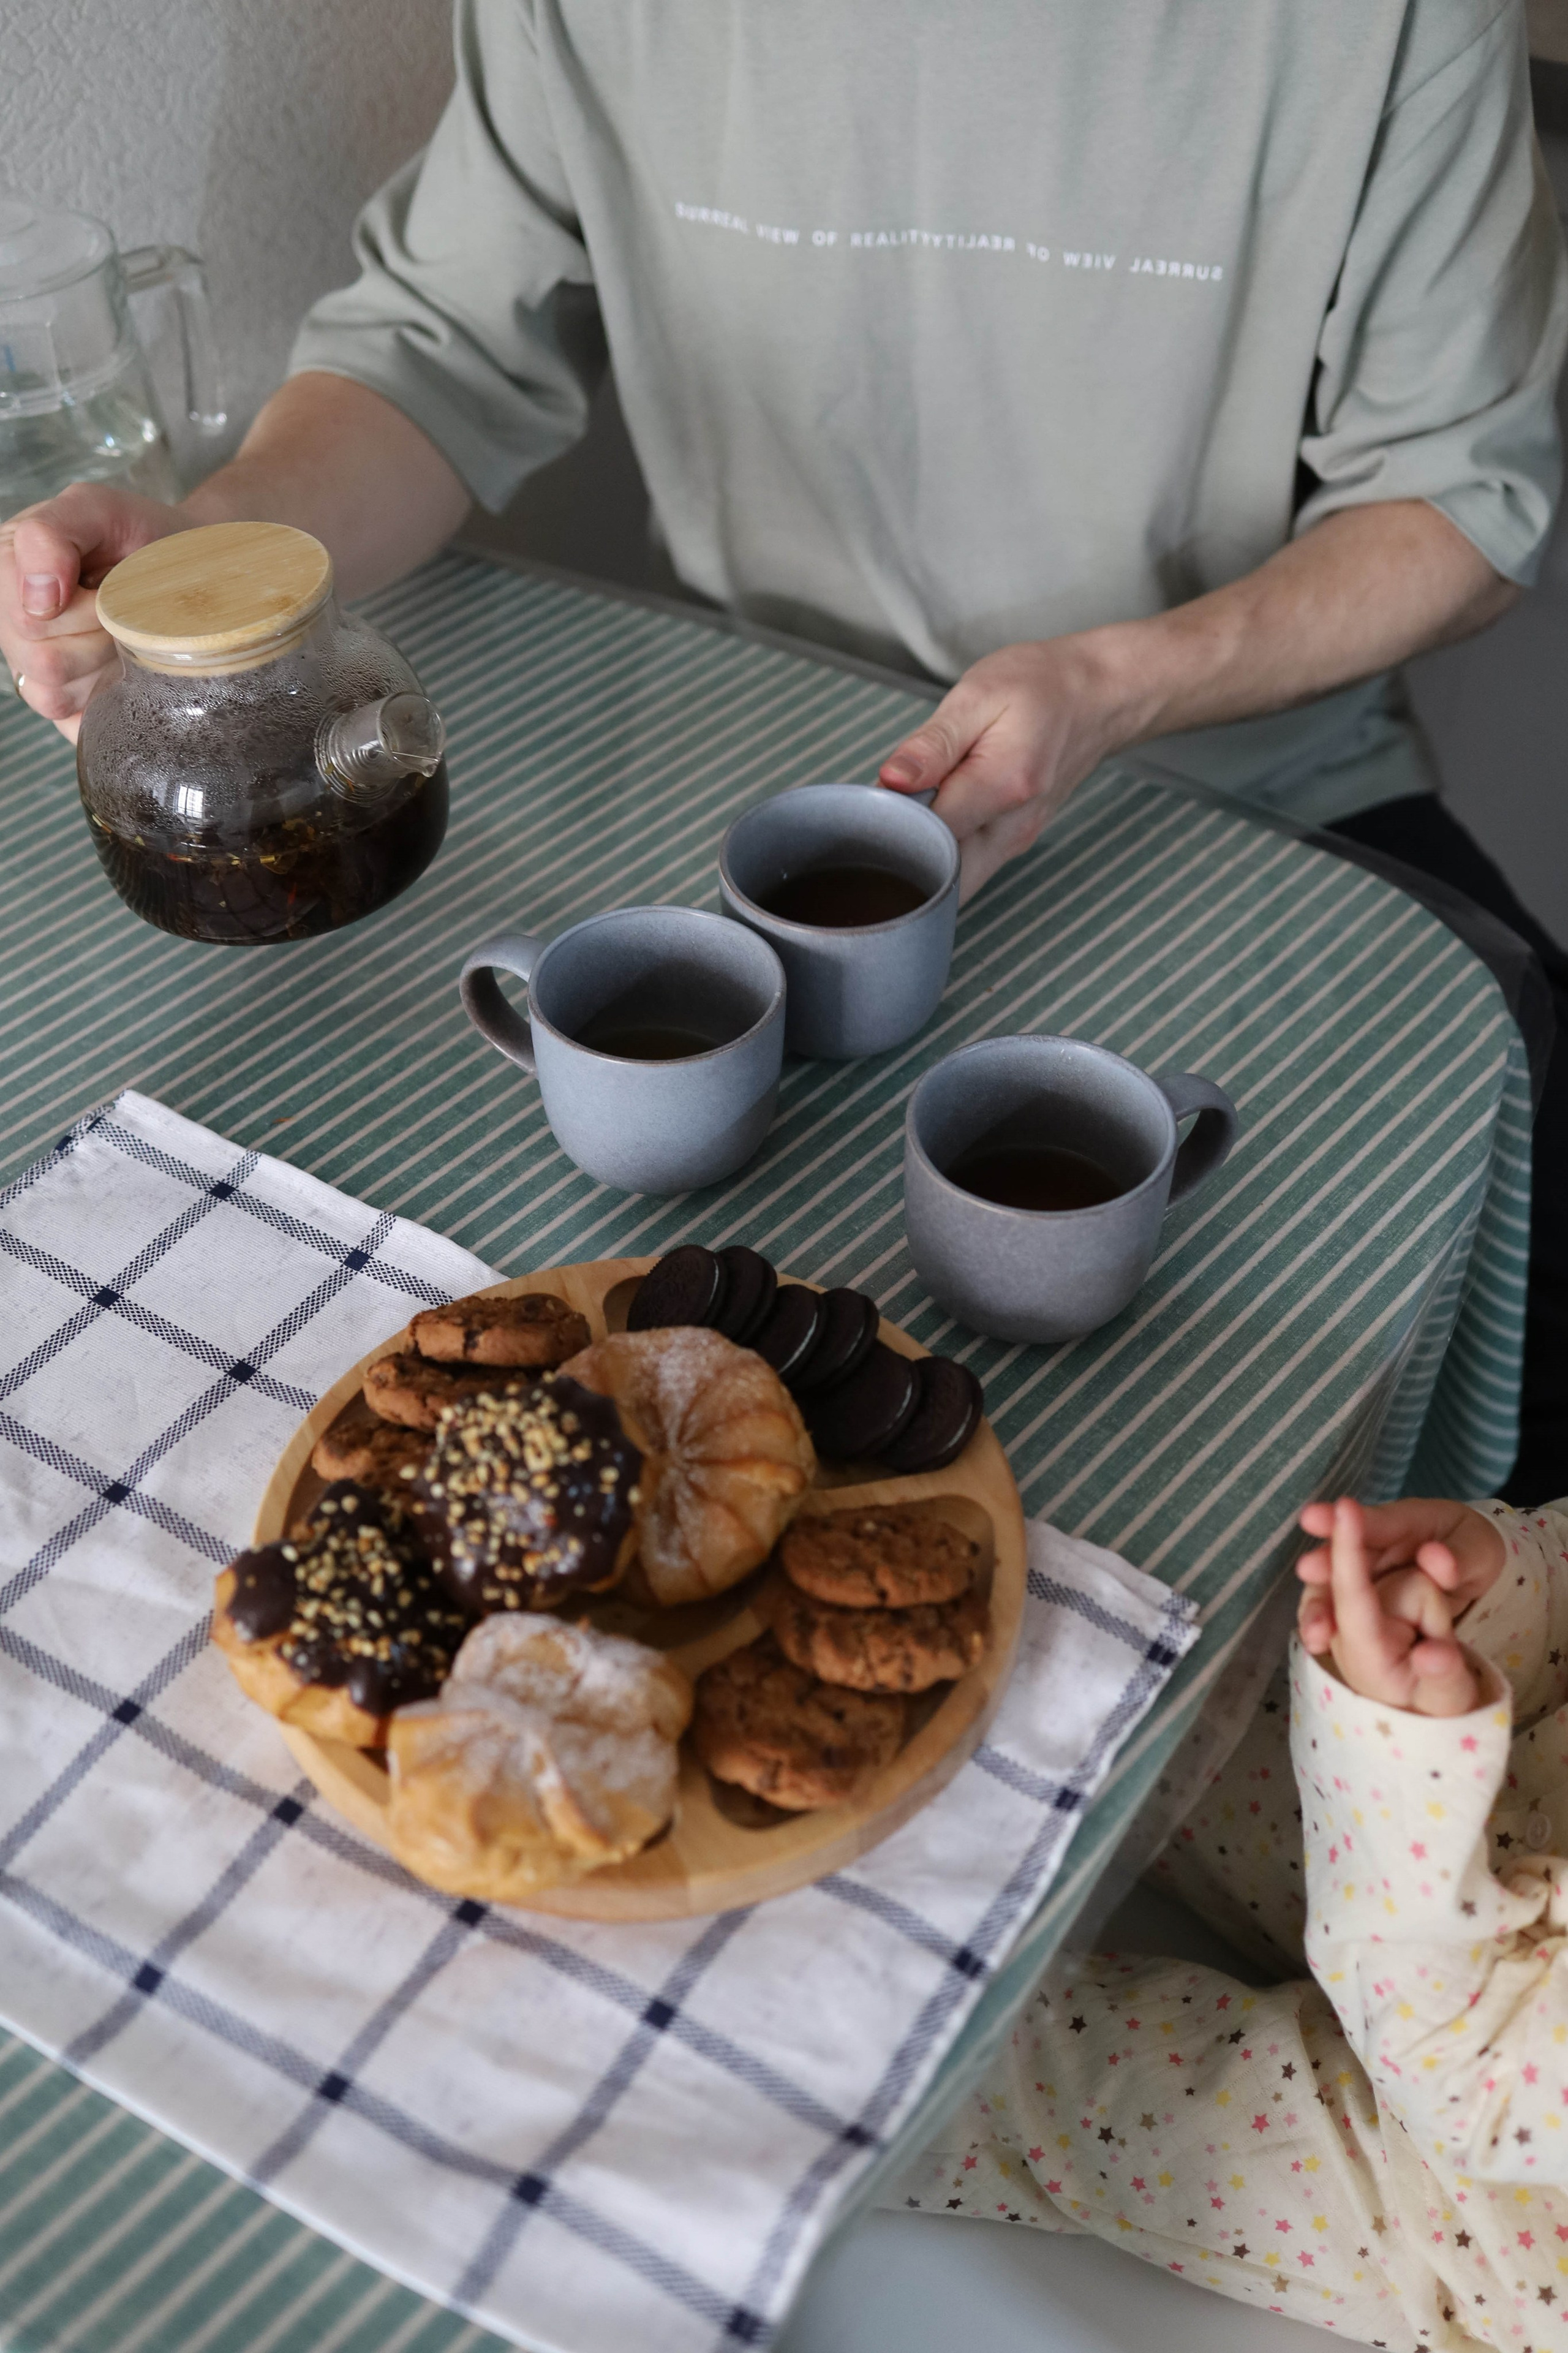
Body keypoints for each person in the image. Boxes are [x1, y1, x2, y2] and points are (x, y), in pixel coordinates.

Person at [1, 2, 1563, 1484]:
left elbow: (1463, 506)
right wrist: (215, 548)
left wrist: (1117, 682)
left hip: (1241, 781)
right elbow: (437, 353)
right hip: (744, 765)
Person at [899, 1489, 1568, 2349]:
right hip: (1499, 1788)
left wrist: (1399, 1750)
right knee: (1155, 1710)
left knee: (1072, 2096)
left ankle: (755, 2067)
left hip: (1489, 2207)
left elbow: (1463, 2054)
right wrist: (1497, 1594)